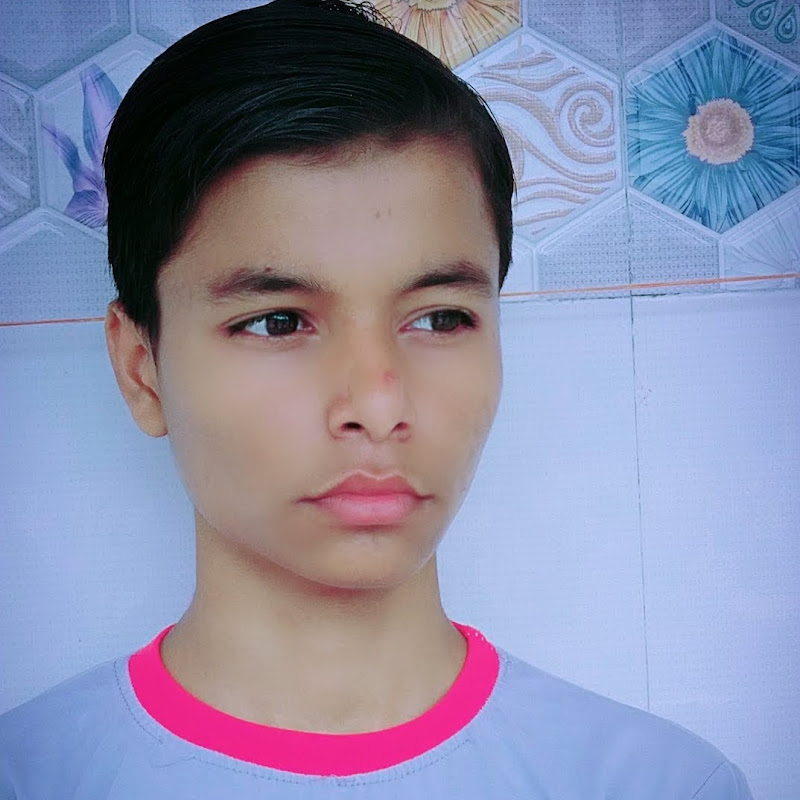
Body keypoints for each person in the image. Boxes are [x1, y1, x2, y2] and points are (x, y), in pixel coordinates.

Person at [0, 0, 753, 796]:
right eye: (278, 322)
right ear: (140, 369)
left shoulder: (664, 784)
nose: (379, 405)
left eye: (440, 318)